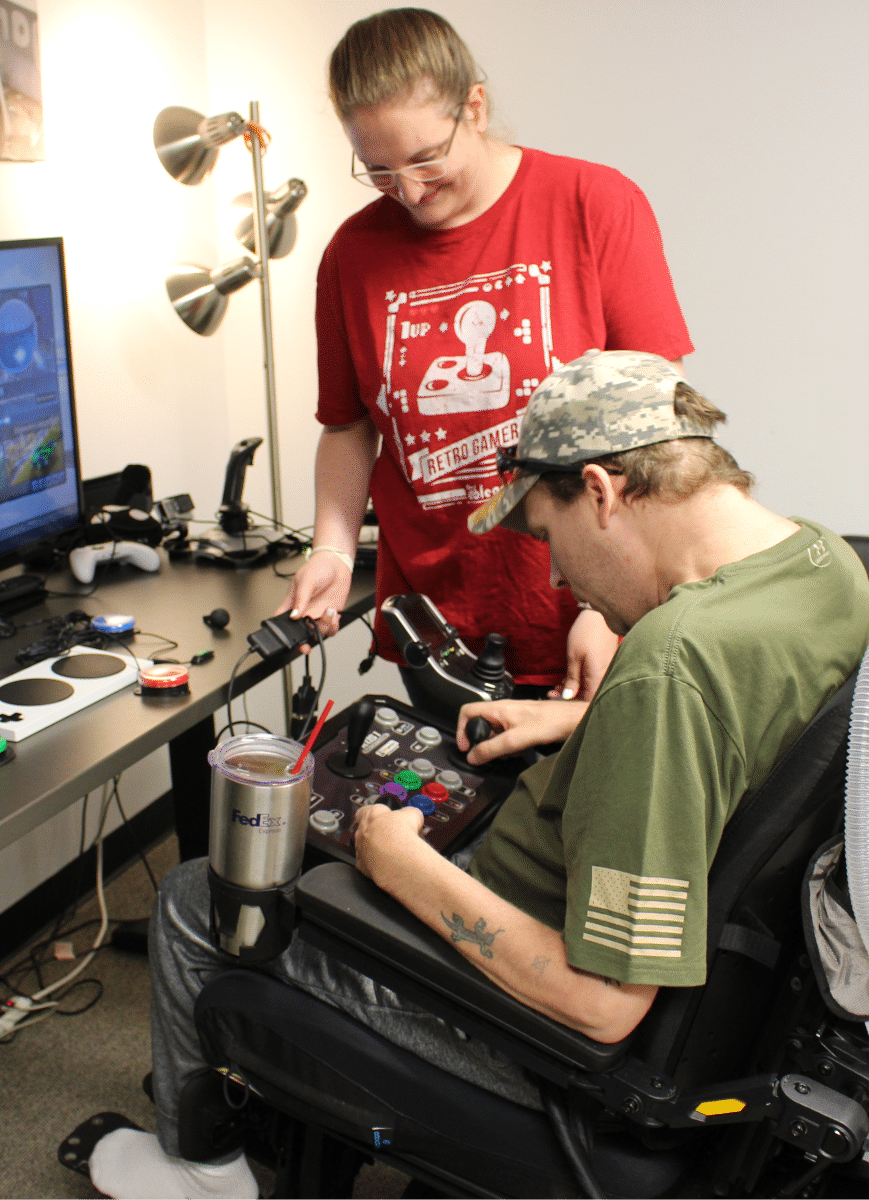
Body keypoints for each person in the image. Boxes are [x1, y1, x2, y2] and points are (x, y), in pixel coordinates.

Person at [87, 350, 869, 1200]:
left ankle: (196, 1171)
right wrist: (590, 720)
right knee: (351, 822)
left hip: (533, 1030)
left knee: (199, 900)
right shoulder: (823, 563)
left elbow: (604, 1005)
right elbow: (756, 728)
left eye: (546, 537)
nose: (560, 576)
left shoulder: (670, 669)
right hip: (716, 971)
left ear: (603, 491)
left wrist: (402, 865)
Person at [279, 8, 694, 715]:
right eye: (377, 169)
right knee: (457, 815)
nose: (408, 191)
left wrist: (612, 604)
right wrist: (333, 552)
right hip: (437, 624)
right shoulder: (351, 255)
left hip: (587, 611)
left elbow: (658, 421)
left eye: (425, 159)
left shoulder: (593, 203)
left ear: (475, 104)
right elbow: (348, 426)